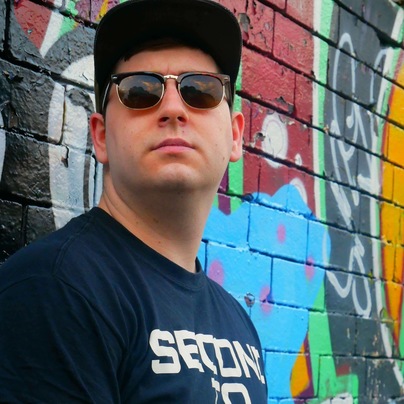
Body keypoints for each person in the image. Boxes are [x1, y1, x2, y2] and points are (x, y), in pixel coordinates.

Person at [0, 0, 267, 402]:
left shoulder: (239, 325)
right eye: (140, 91)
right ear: (101, 136)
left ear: (234, 136)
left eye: (201, 90)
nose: (173, 108)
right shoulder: (53, 292)